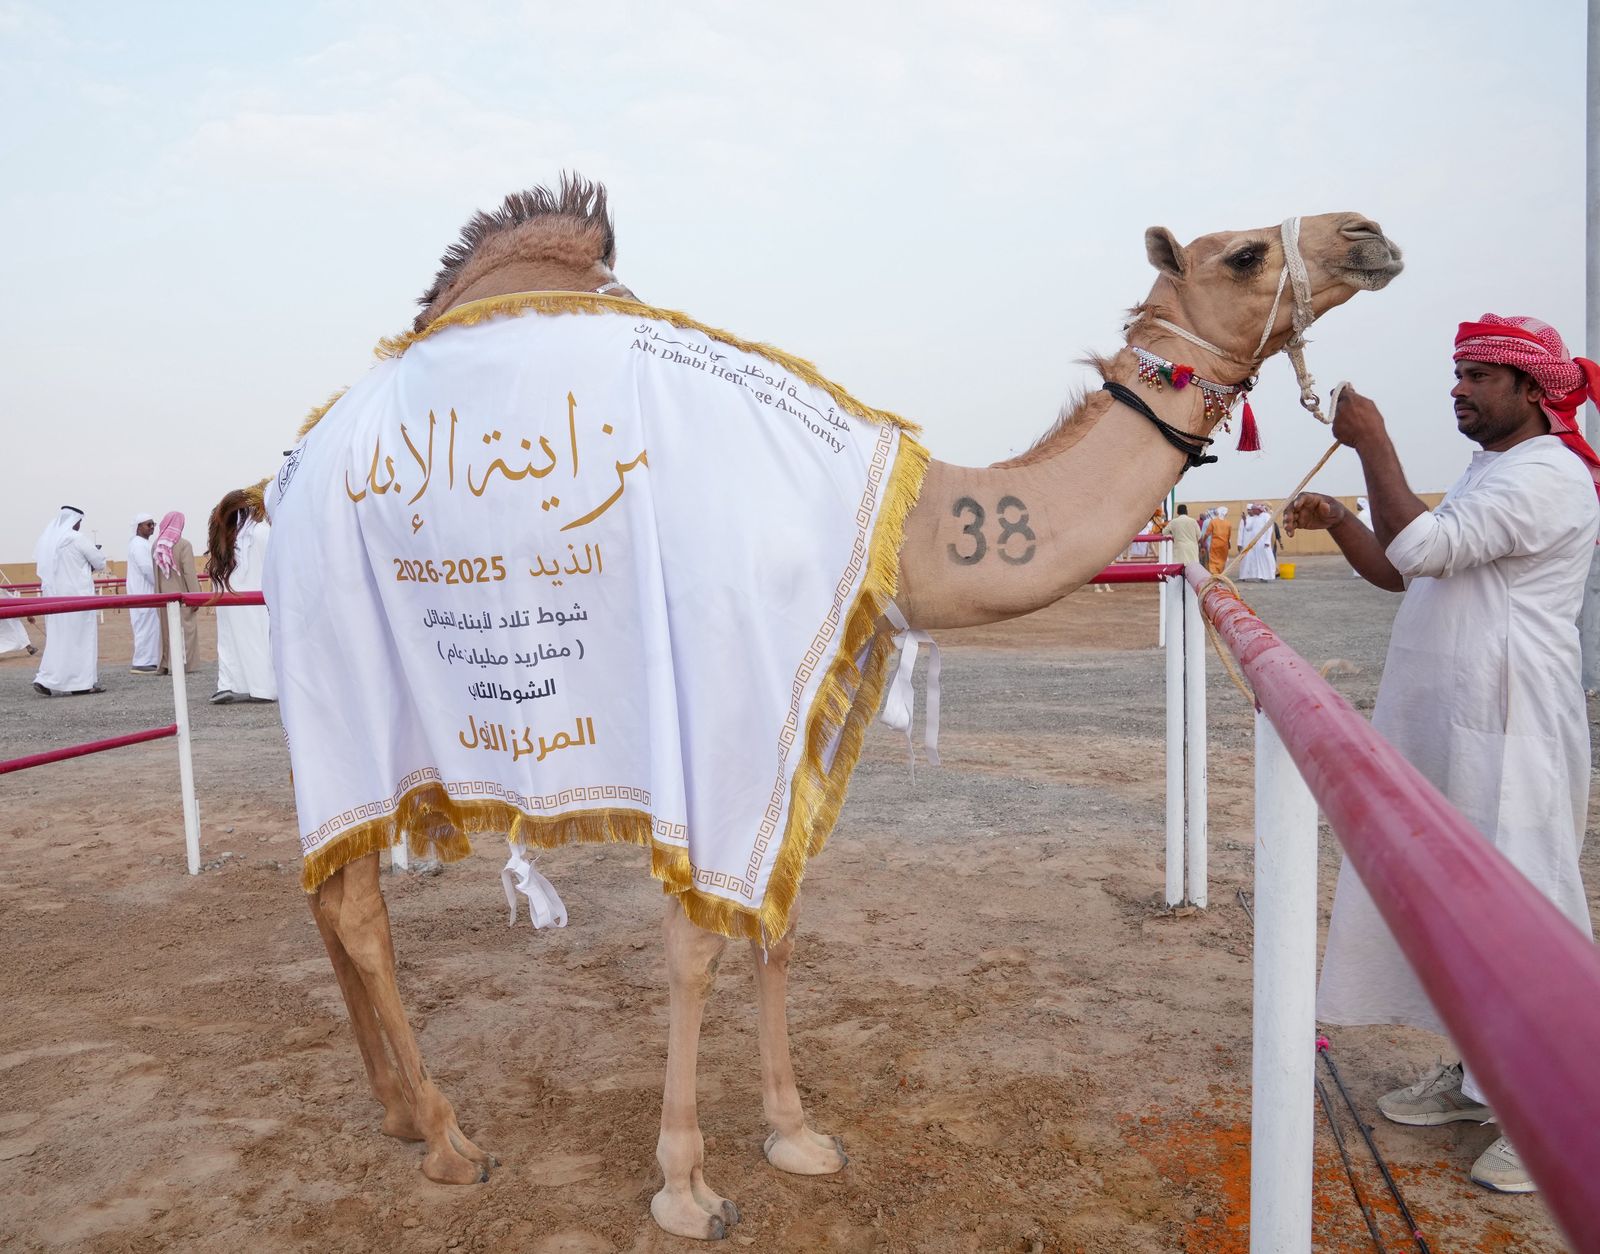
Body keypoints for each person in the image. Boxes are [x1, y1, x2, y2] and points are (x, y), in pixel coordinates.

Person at [1284, 313, 1600, 1195]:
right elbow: (1403, 568)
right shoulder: (1492, 469)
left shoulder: (1551, 476)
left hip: (1513, 730)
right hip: (1453, 727)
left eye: (1479, 377)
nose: (1458, 389)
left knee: (1525, 905)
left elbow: (1420, 547)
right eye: (1457, 373)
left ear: (1534, 392)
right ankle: (1478, 1081)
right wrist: (1344, 519)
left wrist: (1371, 442)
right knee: (1462, 907)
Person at [206, 491, 277, 703]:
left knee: (229, 643)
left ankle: (228, 685)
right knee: (258, 640)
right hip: (255, 599)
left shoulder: (226, 536)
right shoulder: (262, 532)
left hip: (229, 599)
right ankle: (262, 688)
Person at [31, 505, 107, 696]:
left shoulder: (49, 541)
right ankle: (81, 683)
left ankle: (47, 678)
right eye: (79, 522)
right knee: (81, 640)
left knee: (59, 640)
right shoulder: (77, 539)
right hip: (78, 598)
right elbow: (99, 562)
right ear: (76, 521)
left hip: (55, 600)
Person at [153, 511, 201, 674]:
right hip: (181, 597)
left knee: (166, 630)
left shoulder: (157, 545)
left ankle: (166, 663)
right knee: (185, 630)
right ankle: (183, 665)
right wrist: (196, 597)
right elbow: (189, 573)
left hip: (161, 597)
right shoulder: (183, 545)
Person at [126, 512, 160, 673]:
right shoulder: (139, 544)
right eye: (149, 524)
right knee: (145, 628)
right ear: (139, 527)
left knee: (150, 628)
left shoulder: (142, 543)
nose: (152, 527)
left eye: (154, 524)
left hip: (146, 593)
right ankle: (142, 662)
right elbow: (147, 569)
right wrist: (159, 585)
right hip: (144, 593)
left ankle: (149, 660)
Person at [1236, 502, 1278, 581]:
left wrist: (1267, 541)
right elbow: (1248, 528)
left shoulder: (1266, 516)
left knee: (1267, 559)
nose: (1252, 511)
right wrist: (1245, 520)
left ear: (1258, 510)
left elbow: (1269, 530)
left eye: (1253, 510)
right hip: (1256, 544)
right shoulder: (1255, 517)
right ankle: (1261, 576)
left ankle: (1269, 576)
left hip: (1264, 543)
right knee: (1258, 560)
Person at [1202, 505, 1232, 574]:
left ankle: (1214, 574)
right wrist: (1228, 545)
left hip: (1215, 545)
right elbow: (1228, 536)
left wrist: (1203, 541)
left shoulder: (1213, 522)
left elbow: (1207, 534)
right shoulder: (1228, 523)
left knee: (1213, 560)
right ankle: (1219, 574)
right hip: (1224, 546)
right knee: (1222, 560)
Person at [1350, 496, 1371, 576]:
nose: (1357, 506)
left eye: (1358, 505)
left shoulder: (1363, 514)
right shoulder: (1366, 513)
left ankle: (1360, 573)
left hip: (1363, 539)